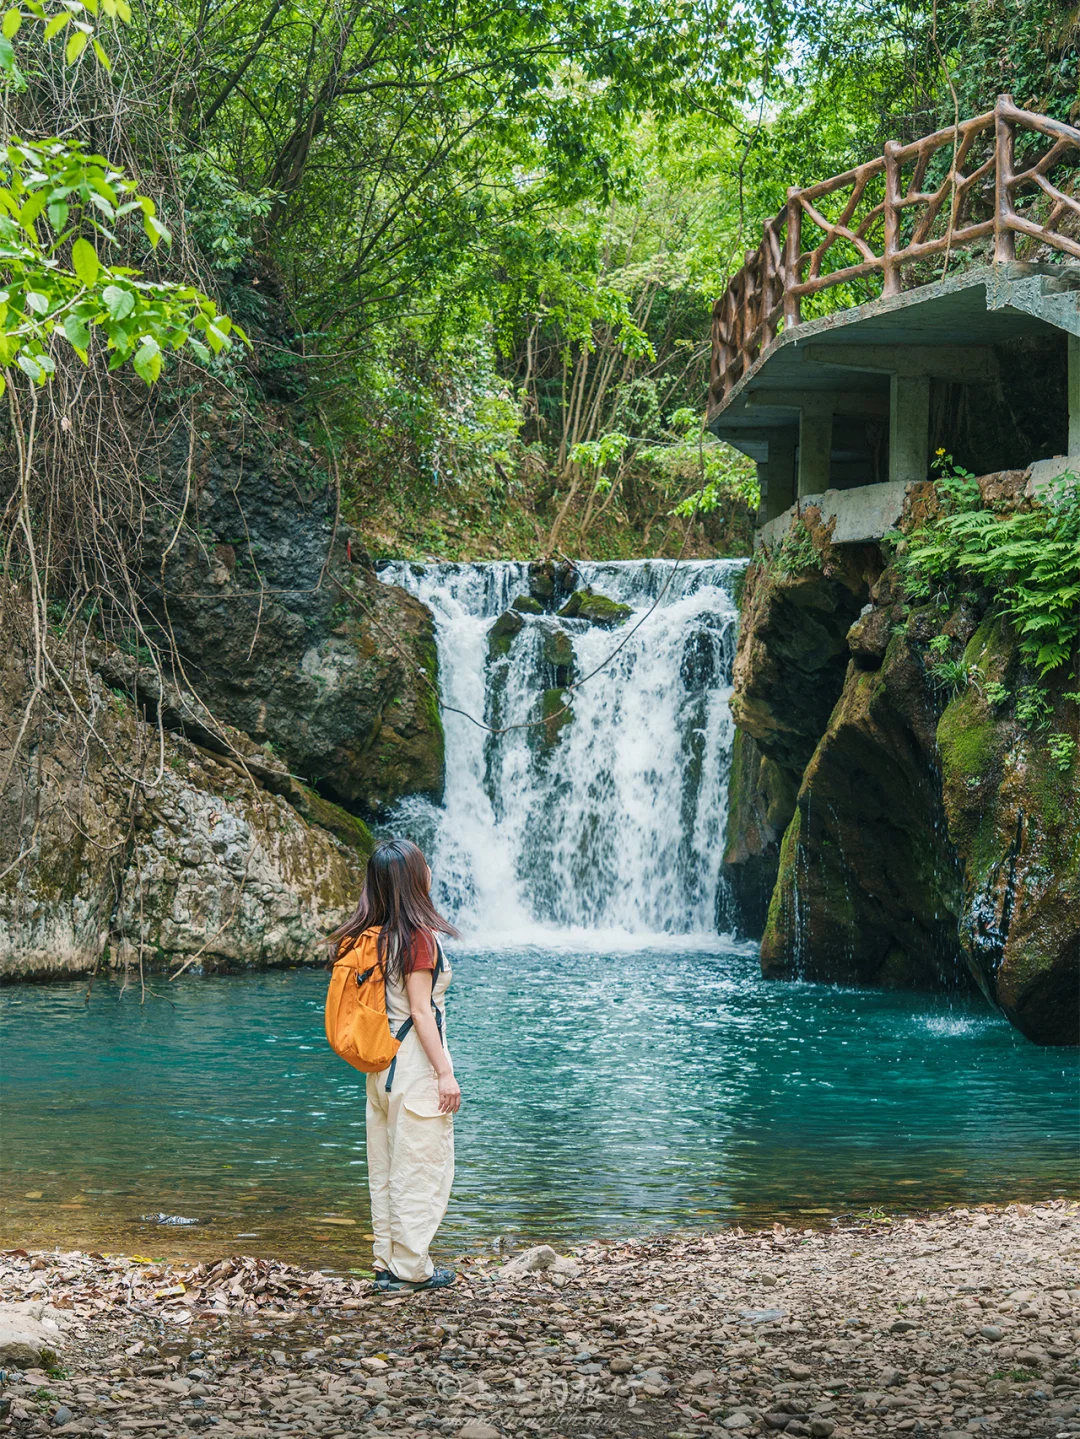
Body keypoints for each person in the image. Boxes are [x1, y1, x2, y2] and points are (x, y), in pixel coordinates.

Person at [329, 839, 461, 1291]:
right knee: (419, 1166)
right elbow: (422, 1012)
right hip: (414, 1065)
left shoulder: (373, 936)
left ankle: (387, 1262)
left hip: (380, 1065)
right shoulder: (418, 937)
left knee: (385, 1168)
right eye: (423, 864)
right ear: (413, 879)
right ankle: (411, 1269)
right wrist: (445, 1073)